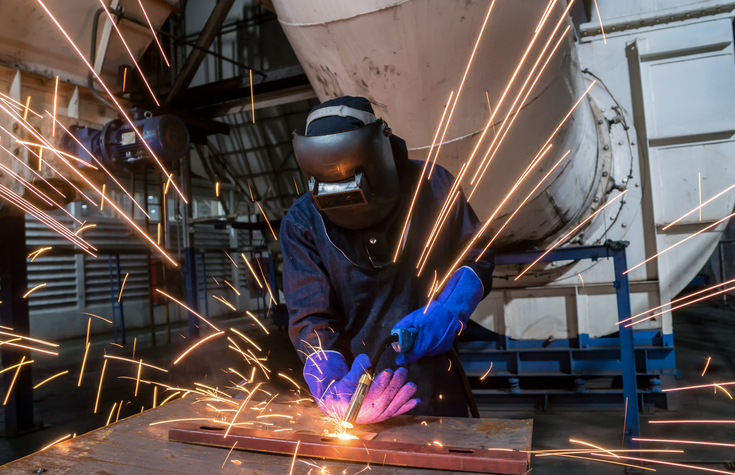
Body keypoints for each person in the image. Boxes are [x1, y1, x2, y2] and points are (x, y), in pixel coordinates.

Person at [281, 96, 494, 424]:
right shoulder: (303, 221)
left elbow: (476, 254)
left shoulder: (433, 186)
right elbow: (310, 316)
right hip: (358, 391)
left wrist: (450, 309)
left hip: (433, 383)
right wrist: (329, 382)